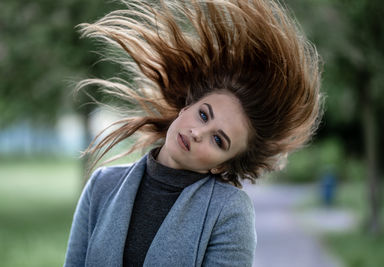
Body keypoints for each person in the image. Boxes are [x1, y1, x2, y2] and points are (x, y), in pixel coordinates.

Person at [64, 0, 322, 266]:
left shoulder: (229, 211)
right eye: (203, 114)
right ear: (186, 107)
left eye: (218, 140)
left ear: (222, 164)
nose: (198, 133)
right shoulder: (103, 184)